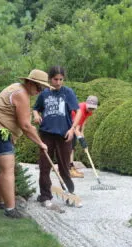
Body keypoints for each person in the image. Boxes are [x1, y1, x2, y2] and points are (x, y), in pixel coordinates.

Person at [0, 69, 51, 219]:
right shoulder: (21, 94)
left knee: (4, 168)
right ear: (29, 82)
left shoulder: (18, 88)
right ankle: (11, 209)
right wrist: (41, 143)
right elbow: (25, 126)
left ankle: (1, 201)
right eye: (38, 87)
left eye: (42, 89)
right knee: (8, 168)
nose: (39, 91)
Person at [33, 66, 82, 208]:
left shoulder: (68, 92)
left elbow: (77, 111)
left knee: (65, 167)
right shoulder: (44, 94)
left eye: (61, 79)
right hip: (46, 135)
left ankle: (69, 195)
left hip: (64, 135)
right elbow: (36, 108)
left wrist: (72, 129)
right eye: (55, 79)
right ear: (50, 79)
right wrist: (36, 115)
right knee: (44, 167)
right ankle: (45, 196)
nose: (58, 82)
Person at [69, 95, 99, 178]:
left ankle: (70, 167)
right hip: (68, 125)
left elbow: (84, 121)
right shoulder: (80, 109)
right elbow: (75, 128)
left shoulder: (89, 111)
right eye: (90, 108)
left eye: (93, 108)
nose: (91, 110)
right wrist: (82, 141)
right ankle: (69, 169)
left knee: (72, 147)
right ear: (86, 103)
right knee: (70, 146)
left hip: (74, 126)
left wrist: (82, 132)